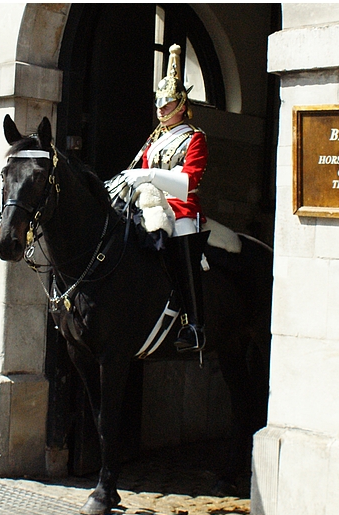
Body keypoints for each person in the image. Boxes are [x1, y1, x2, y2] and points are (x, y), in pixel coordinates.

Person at [121, 44, 209, 353]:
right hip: (152, 205)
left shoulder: (194, 137)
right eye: (159, 102)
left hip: (182, 208)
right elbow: (142, 174)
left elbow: (189, 181)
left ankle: (194, 324)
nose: (161, 108)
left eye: (167, 102)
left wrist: (149, 177)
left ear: (182, 104)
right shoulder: (154, 141)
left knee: (184, 244)